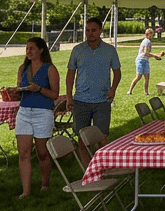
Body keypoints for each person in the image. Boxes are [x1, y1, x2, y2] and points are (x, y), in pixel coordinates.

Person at [64, 16, 122, 164]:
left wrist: (113, 89)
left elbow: (117, 72)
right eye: (87, 30)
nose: (90, 33)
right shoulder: (77, 50)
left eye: (94, 30)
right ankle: (86, 171)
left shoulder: (109, 50)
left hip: (102, 100)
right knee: (82, 139)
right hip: (81, 101)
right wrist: (69, 97)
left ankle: (100, 168)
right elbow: (70, 74)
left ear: (101, 31)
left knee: (102, 139)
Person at [15, 36, 59, 198]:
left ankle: (45, 183)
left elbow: (54, 94)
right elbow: (20, 89)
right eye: (27, 49)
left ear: (41, 50)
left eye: (32, 48)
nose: (28, 52)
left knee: (42, 152)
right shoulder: (23, 68)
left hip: (43, 112)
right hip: (24, 111)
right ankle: (25, 191)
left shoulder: (50, 69)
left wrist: (39, 89)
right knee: (24, 153)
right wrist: (14, 91)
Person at [128, 27, 165, 96]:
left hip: (145, 60)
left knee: (147, 77)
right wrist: (155, 56)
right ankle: (130, 90)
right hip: (140, 60)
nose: (151, 36)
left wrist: (157, 55)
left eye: (152, 34)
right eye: (150, 34)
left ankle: (146, 92)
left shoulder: (148, 41)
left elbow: (147, 54)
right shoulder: (146, 41)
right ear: (147, 34)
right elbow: (145, 52)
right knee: (138, 76)